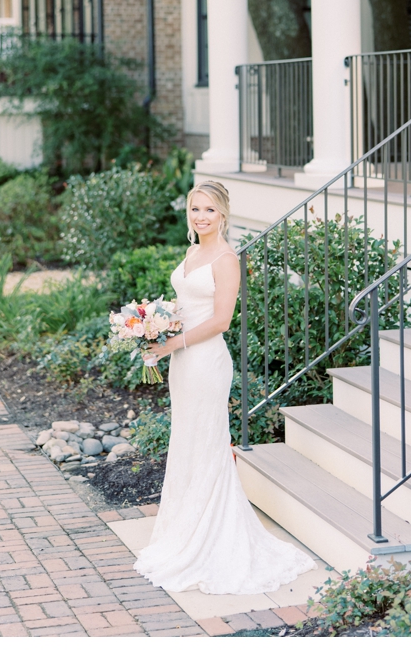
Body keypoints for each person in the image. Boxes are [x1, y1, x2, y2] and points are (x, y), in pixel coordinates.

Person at [133, 181, 316, 595]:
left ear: (224, 215)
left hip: (205, 362)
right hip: (182, 361)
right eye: (196, 209)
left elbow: (220, 321)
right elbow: (185, 306)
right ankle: (183, 532)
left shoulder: (226, 258)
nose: (201, 217)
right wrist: (151, 324)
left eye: (210, 211)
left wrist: (169, 344)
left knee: (207, 443)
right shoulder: (193, 250)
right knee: (187, 443)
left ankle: (212, 540)